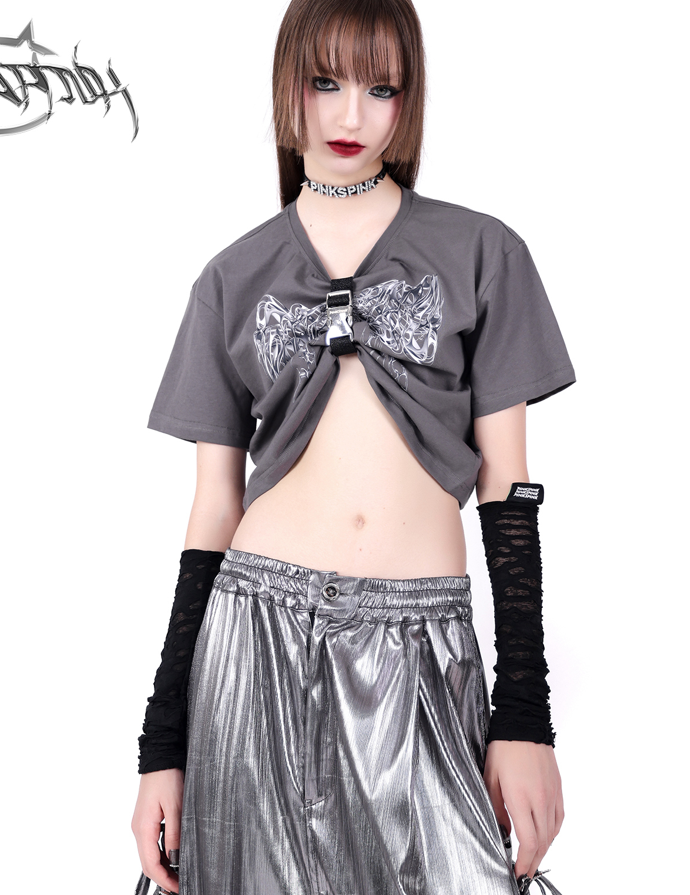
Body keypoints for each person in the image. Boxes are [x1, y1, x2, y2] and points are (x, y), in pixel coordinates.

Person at [131, 1, 574, 893]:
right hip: (252, 641)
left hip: (425, 644)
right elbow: (213, 510)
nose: (349, 115)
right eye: (324, 82)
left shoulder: (484, 250)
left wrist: (525, 710)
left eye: (382, 89)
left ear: (411, 100)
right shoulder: (230, 276)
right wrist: (161, 740)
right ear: (285, 84)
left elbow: (508, 488)